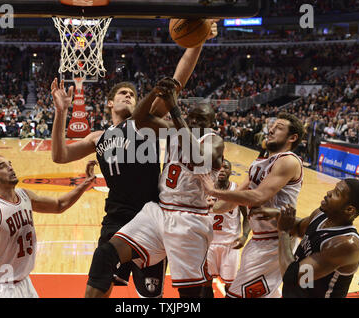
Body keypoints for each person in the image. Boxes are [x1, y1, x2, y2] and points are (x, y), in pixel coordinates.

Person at [51, 20, 218, 298]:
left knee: (150, 294)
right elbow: (59, 156)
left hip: (150, 213)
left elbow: (177, 81)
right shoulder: (97, 137)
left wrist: (197, 40)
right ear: (109, 103)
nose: (129, 96)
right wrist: (61, 113)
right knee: (100, 280)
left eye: (133, 94)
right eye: (123, 93)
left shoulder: (147, 123)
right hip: (116, 215)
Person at [84, 78, 224, 298]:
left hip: (190, 219)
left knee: (191, 294)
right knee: (105, 254)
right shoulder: (174, 130)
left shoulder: (214, 140)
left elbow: (198, 159)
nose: (195, 121)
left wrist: (175, 109)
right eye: (192, 117)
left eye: (202, 119)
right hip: (159, 211)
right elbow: (136, 120)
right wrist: (154, 93)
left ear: (212, 123)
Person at [0, 155, 97, 298]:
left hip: (23, 282)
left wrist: (85, 183)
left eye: (10, 164)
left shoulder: (24, 195)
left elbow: (59, 205)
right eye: (3, 166)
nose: (10, 168)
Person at [200, 112, 305, 298]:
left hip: (276, 240)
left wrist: (213, 191)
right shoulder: (260, 162)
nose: (271, 129)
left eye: (279, 128)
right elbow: (236, 198)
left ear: (292, 137)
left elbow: (257, 196)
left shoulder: (288, 161)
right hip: (259, 239)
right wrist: (210, 207)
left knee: (236, 295)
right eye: (272, 126)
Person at [250, 178, 359, 298]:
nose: (329, 193)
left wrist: (283, 231)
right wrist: (278, 215)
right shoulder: (321, 214)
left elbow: (291, 276)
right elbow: (299, 228)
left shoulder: (345, 244)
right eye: (334, 189)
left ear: (349, 209)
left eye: (337, 193)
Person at [204, 159, 250, 297]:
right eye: (220, 167)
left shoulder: (236, 190)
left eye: (226, 167)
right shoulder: (205, 189)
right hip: (209, 244)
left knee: (231, 286)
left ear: (231, 171)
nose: (222, 170)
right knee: (205, 284)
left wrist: (245, 235)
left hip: (230, 245)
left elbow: (247, 216)